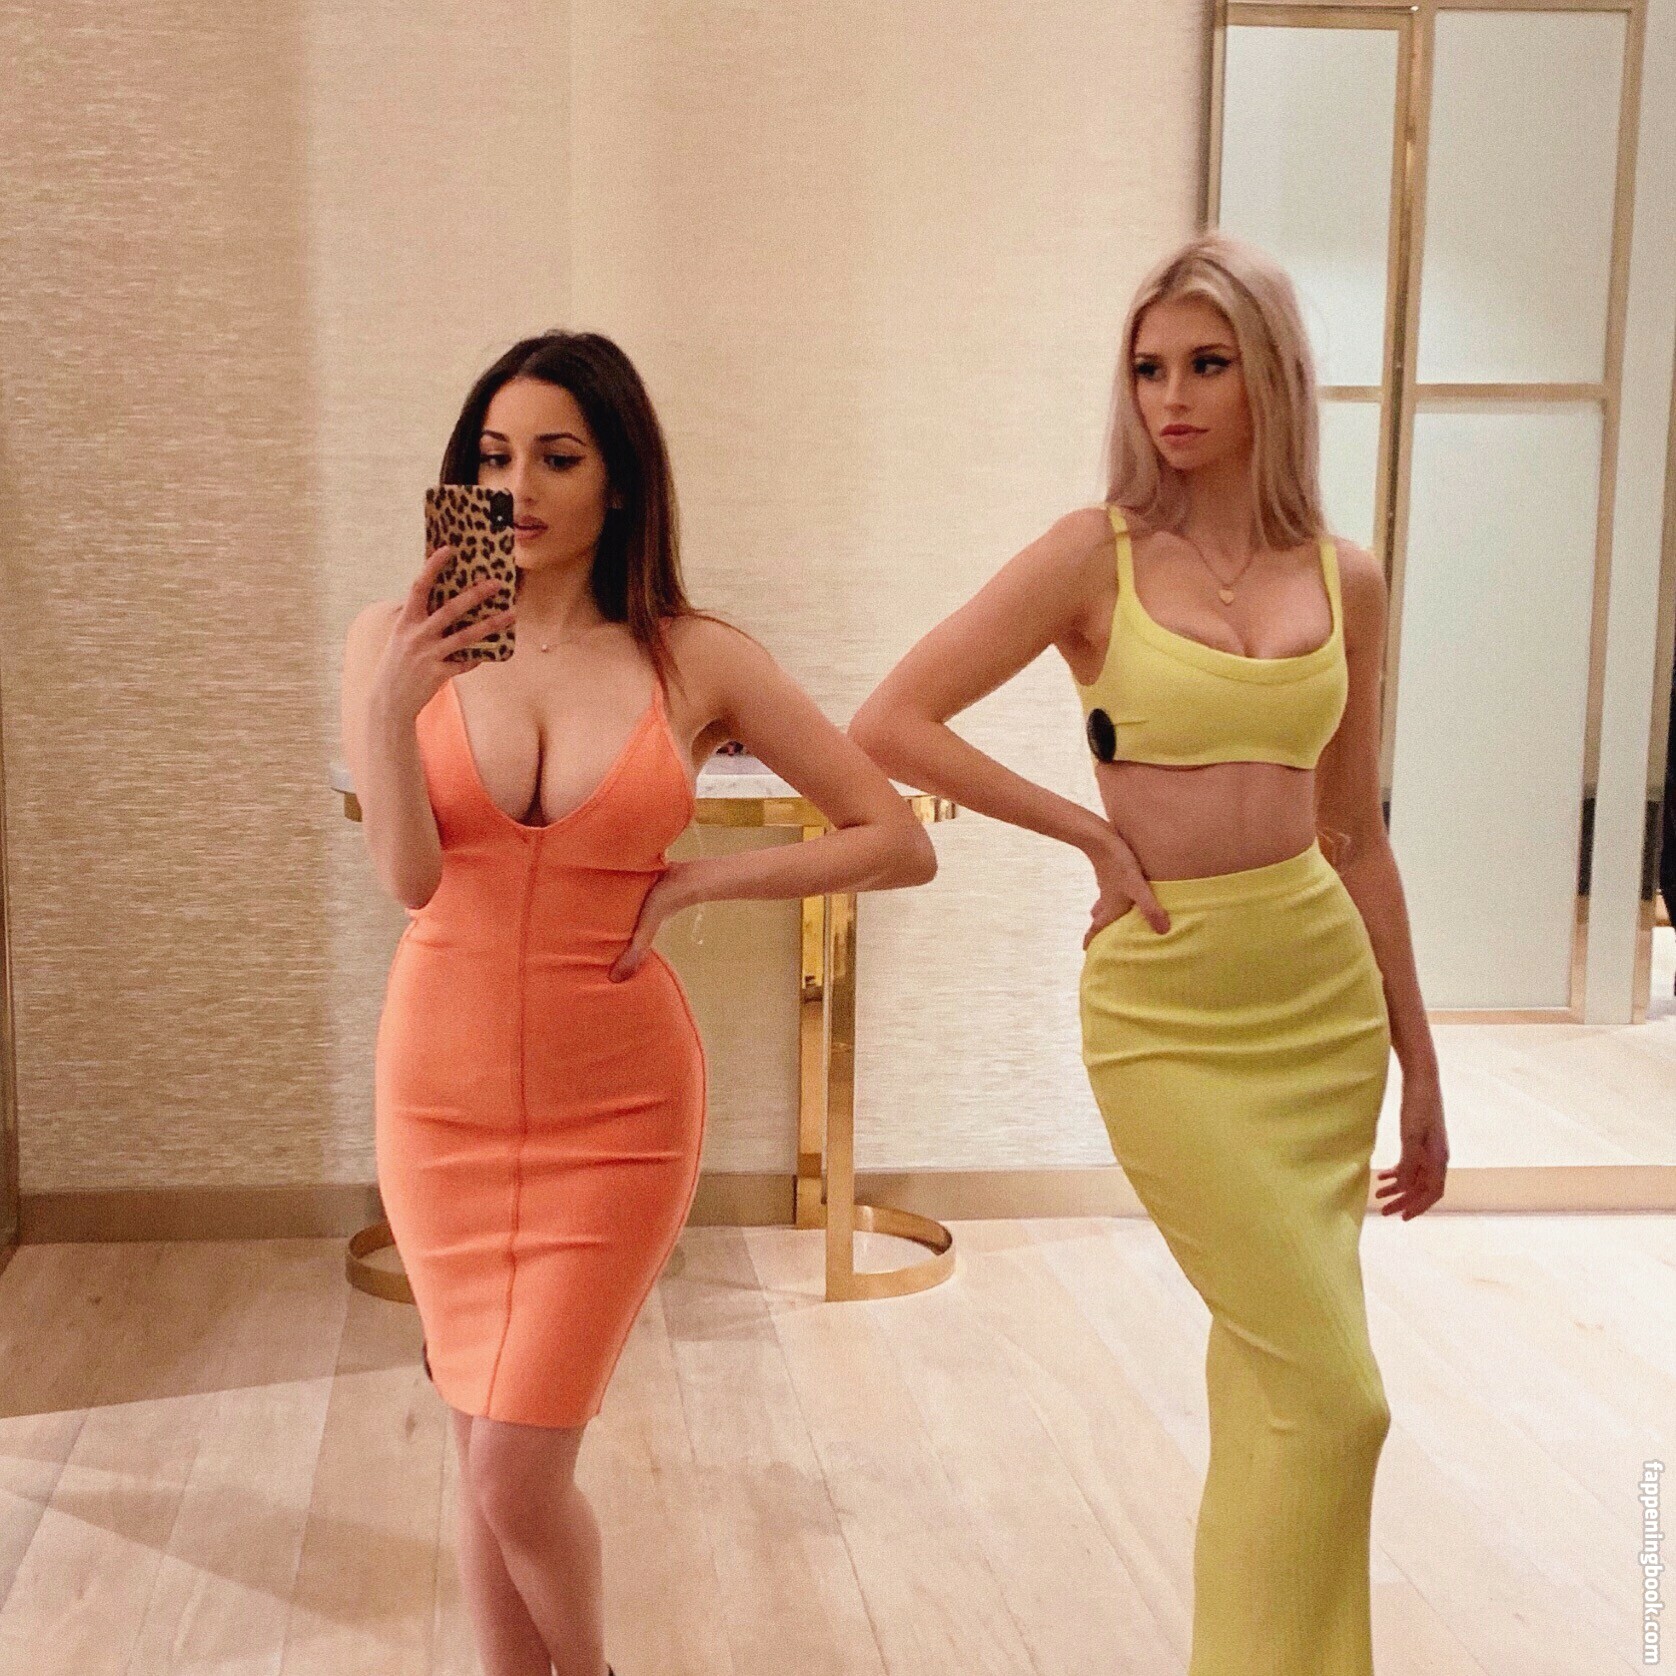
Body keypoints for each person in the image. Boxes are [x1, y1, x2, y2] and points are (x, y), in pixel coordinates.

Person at [849, 231, 1448, 1676]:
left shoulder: (1347, 580)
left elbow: (1356, 835)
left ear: (1271, 377)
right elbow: (891, 721)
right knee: (1340, 1398)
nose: (1170, 397)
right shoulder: (1094, 555)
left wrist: (1422, 1068)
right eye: (1148, 368)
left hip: (1318, 1008)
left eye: (1205, 364)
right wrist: (1090, 835)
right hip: (1168, 1012)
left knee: (1273, 1394)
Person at [340, 329, 936, 1676]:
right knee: (477, 1446)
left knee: (515, 1472)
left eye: (559, 457)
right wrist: (391, 706)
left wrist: (700, 883)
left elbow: (894, 836)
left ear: (620, 479)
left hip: (616, 1112)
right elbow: (410, 878)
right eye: (494, 457)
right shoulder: (392, 641)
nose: (518, 488)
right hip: (437, 1102)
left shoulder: (693, 656)